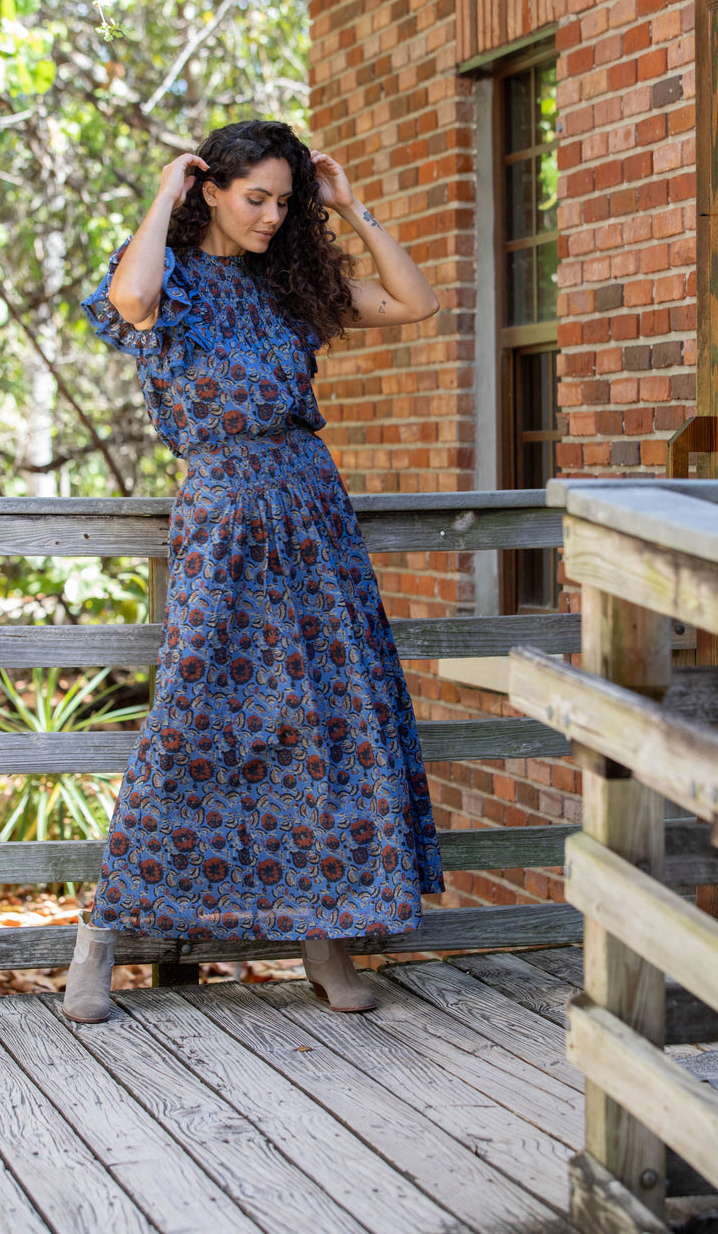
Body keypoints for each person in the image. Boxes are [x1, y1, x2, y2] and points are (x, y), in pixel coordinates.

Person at [63, 119, 444, 1022]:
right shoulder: (173, 281)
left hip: (313, 517)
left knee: (328, 723)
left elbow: (415, 302)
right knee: (194, 720)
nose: (273, 217)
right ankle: (99, 938)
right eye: (255, 198)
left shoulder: (289, 288)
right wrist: (162, 194)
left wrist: (351, 207)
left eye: (284, 201)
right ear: (210, 190)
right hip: (226, 517)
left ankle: (325, 942)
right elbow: (129, 301)